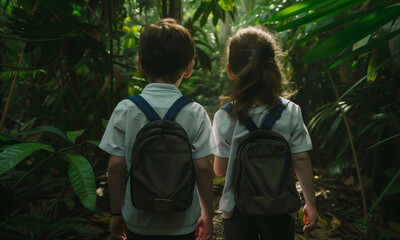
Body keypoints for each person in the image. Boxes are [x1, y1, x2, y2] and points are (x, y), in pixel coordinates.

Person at [99, 18, 215, 240]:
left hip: (138, 220)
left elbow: (115, 167)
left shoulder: (126, 109)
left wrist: (116, 213)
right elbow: (203, 169)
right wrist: (207, 214)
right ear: (189, 67)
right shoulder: (195, 112)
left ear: (140, 64)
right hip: (183, 220)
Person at [212, 26, 318, 240]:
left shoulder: (225, 115)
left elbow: (220, 170)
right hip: (280, 206)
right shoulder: (290, 111)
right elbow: (301, 159)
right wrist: (310, 204)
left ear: (231, 70)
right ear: (274, 67)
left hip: (237, 210)